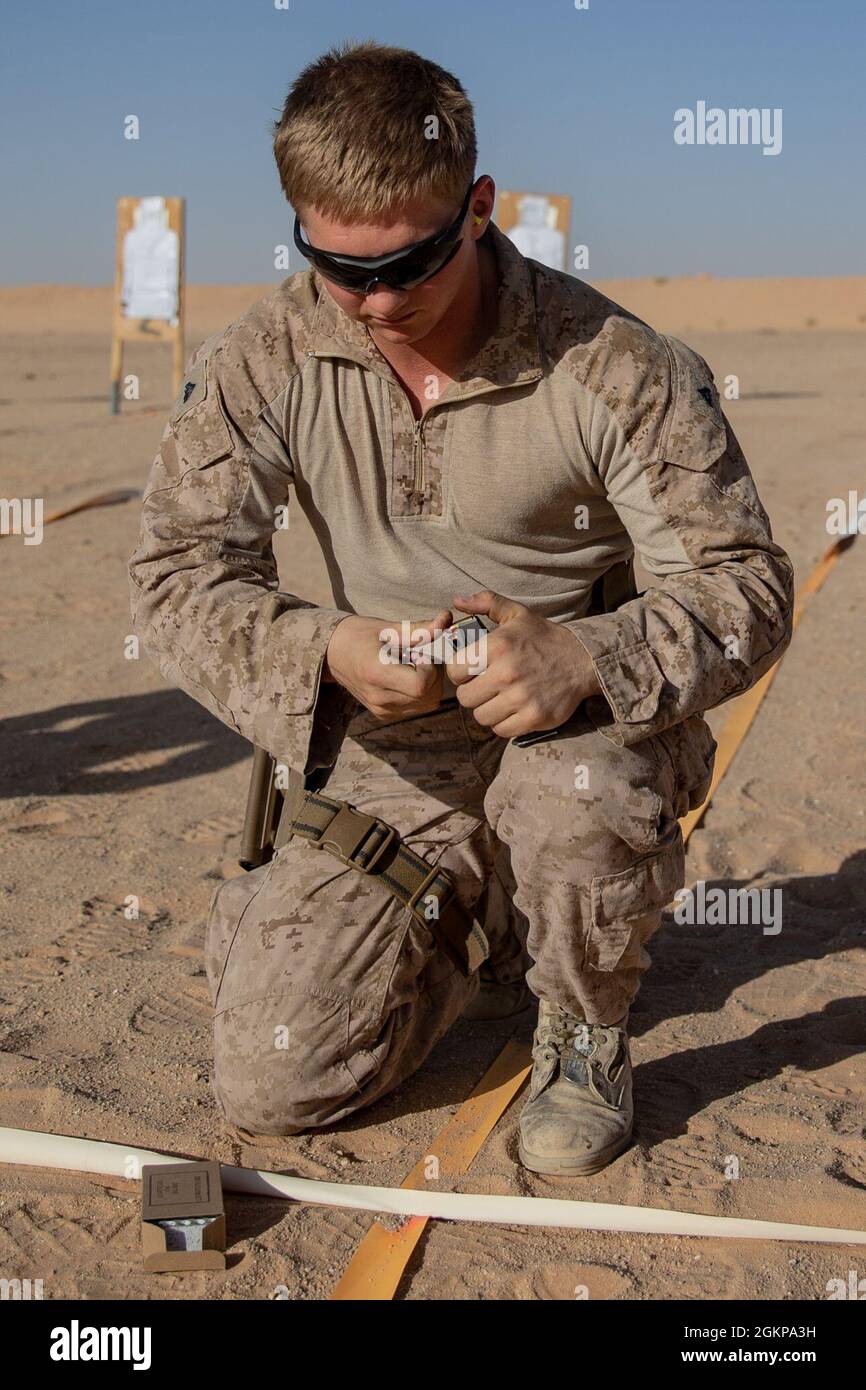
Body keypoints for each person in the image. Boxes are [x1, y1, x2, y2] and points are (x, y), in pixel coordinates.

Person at [128, 41, 793, 1175]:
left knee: (573, 790)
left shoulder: (613, 364)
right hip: (391, 744)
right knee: (277, 1082)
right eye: (339, 269)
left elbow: (746, 588)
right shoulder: (264, 359)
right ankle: (477, 908)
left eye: (414, 261)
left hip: (576, 722)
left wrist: (583, 656)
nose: (378, 302)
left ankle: (580, 1030)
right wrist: (326, 647)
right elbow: (176, 573)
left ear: (477, 206)